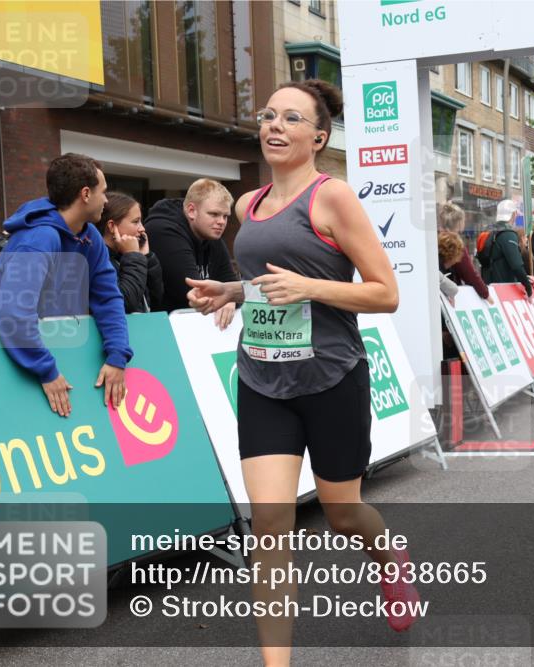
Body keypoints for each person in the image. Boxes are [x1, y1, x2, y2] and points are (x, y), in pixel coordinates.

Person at [182, 80, 414, 664]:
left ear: (319, 135)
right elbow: (269, 282)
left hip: (332, 378)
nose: (274, 126)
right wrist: (232, 291)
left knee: (342, 513)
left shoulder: (332, 197)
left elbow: (386, 294)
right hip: (263, 378)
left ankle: (389, 557)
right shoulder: (247, 205)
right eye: (267, 116)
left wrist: (309, 287)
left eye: (291, 118)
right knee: (269, 529)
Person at [0, 153, 130, 416]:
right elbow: (14, 314)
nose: (106, 200)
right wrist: (46, 369)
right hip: (10, 363)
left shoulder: (90, 235)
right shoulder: (39, 238)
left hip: (50, 358)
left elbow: (108, 297)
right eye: (103, 192)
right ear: (85, 194)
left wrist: (117, 355)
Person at [146, 178, 239, 327]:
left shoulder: (210, 233)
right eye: (214, 214)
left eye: (225, 216)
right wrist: (229, 295)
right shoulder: (163, 230)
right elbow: (196, 294)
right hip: (161, 331)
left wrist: (231, 297)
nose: (221, 221)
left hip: (192, 330)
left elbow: (231, 283)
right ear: (191, 211)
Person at [96, 192, 164, 313]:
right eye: (136, 221)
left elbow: (154, 302)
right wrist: (133, 256)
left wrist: (146, 257)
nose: (142, 228)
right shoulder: (99, 261)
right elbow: (125, 304)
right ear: (112, 226)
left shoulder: (126, 257)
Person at [437, 201, 492, 302]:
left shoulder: (435, 239)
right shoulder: (455, 244)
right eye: (463, 220)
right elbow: (470, 273)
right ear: (459, 223)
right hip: (448, 295)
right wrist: (486, 294)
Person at [480, 200, 534, 297]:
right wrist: (528, 286)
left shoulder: (488, 231)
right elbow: (517, 265)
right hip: (504, 289)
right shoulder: (508, 234)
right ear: (514, 214)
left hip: (488, 285)